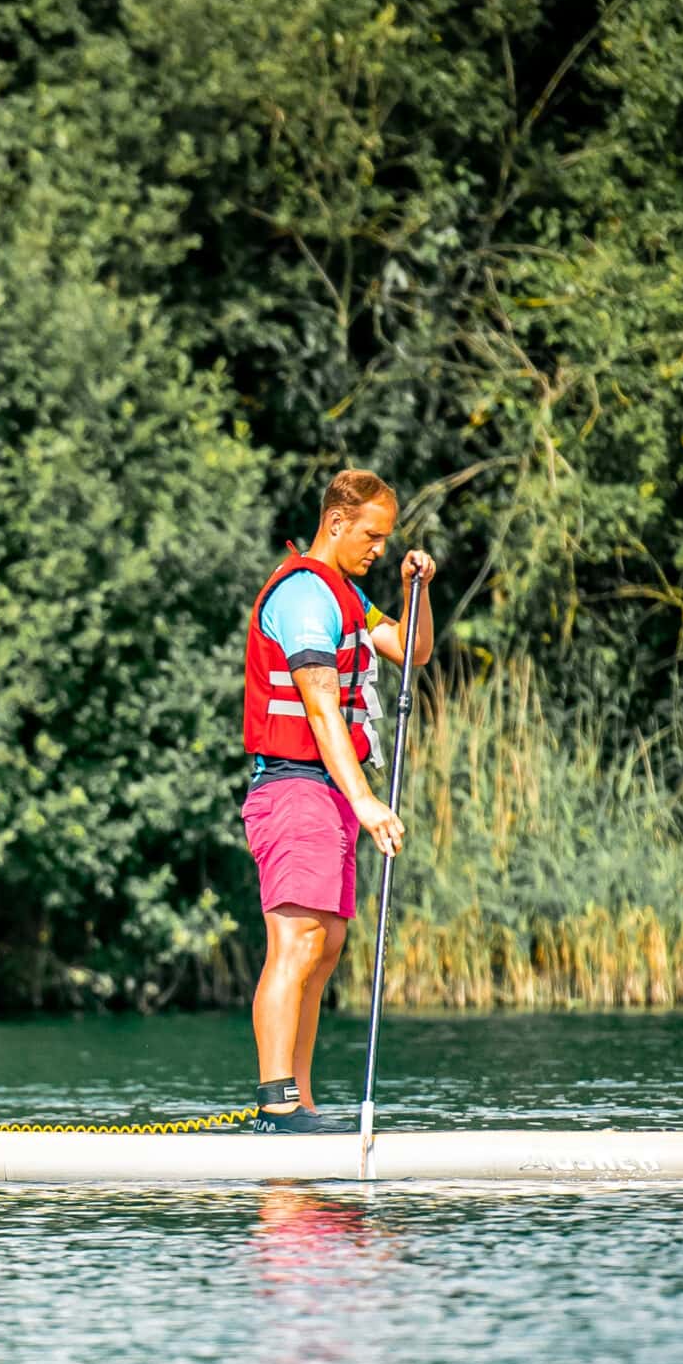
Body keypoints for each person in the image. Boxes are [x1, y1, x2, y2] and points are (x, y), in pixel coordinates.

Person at [241, 469, 435, 1128]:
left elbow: (413, 651)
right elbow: (322, 709)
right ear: (336, 523)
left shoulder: (351, 597)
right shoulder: (304, 596)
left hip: (327, 793)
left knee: (324, 952)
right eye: (372, 535)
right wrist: (368, 801)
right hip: (293, 787)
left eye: (387, 537)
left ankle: (303, 1103)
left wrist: (419, 590)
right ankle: (276, 1106)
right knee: (295, 944)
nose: (379, 547)